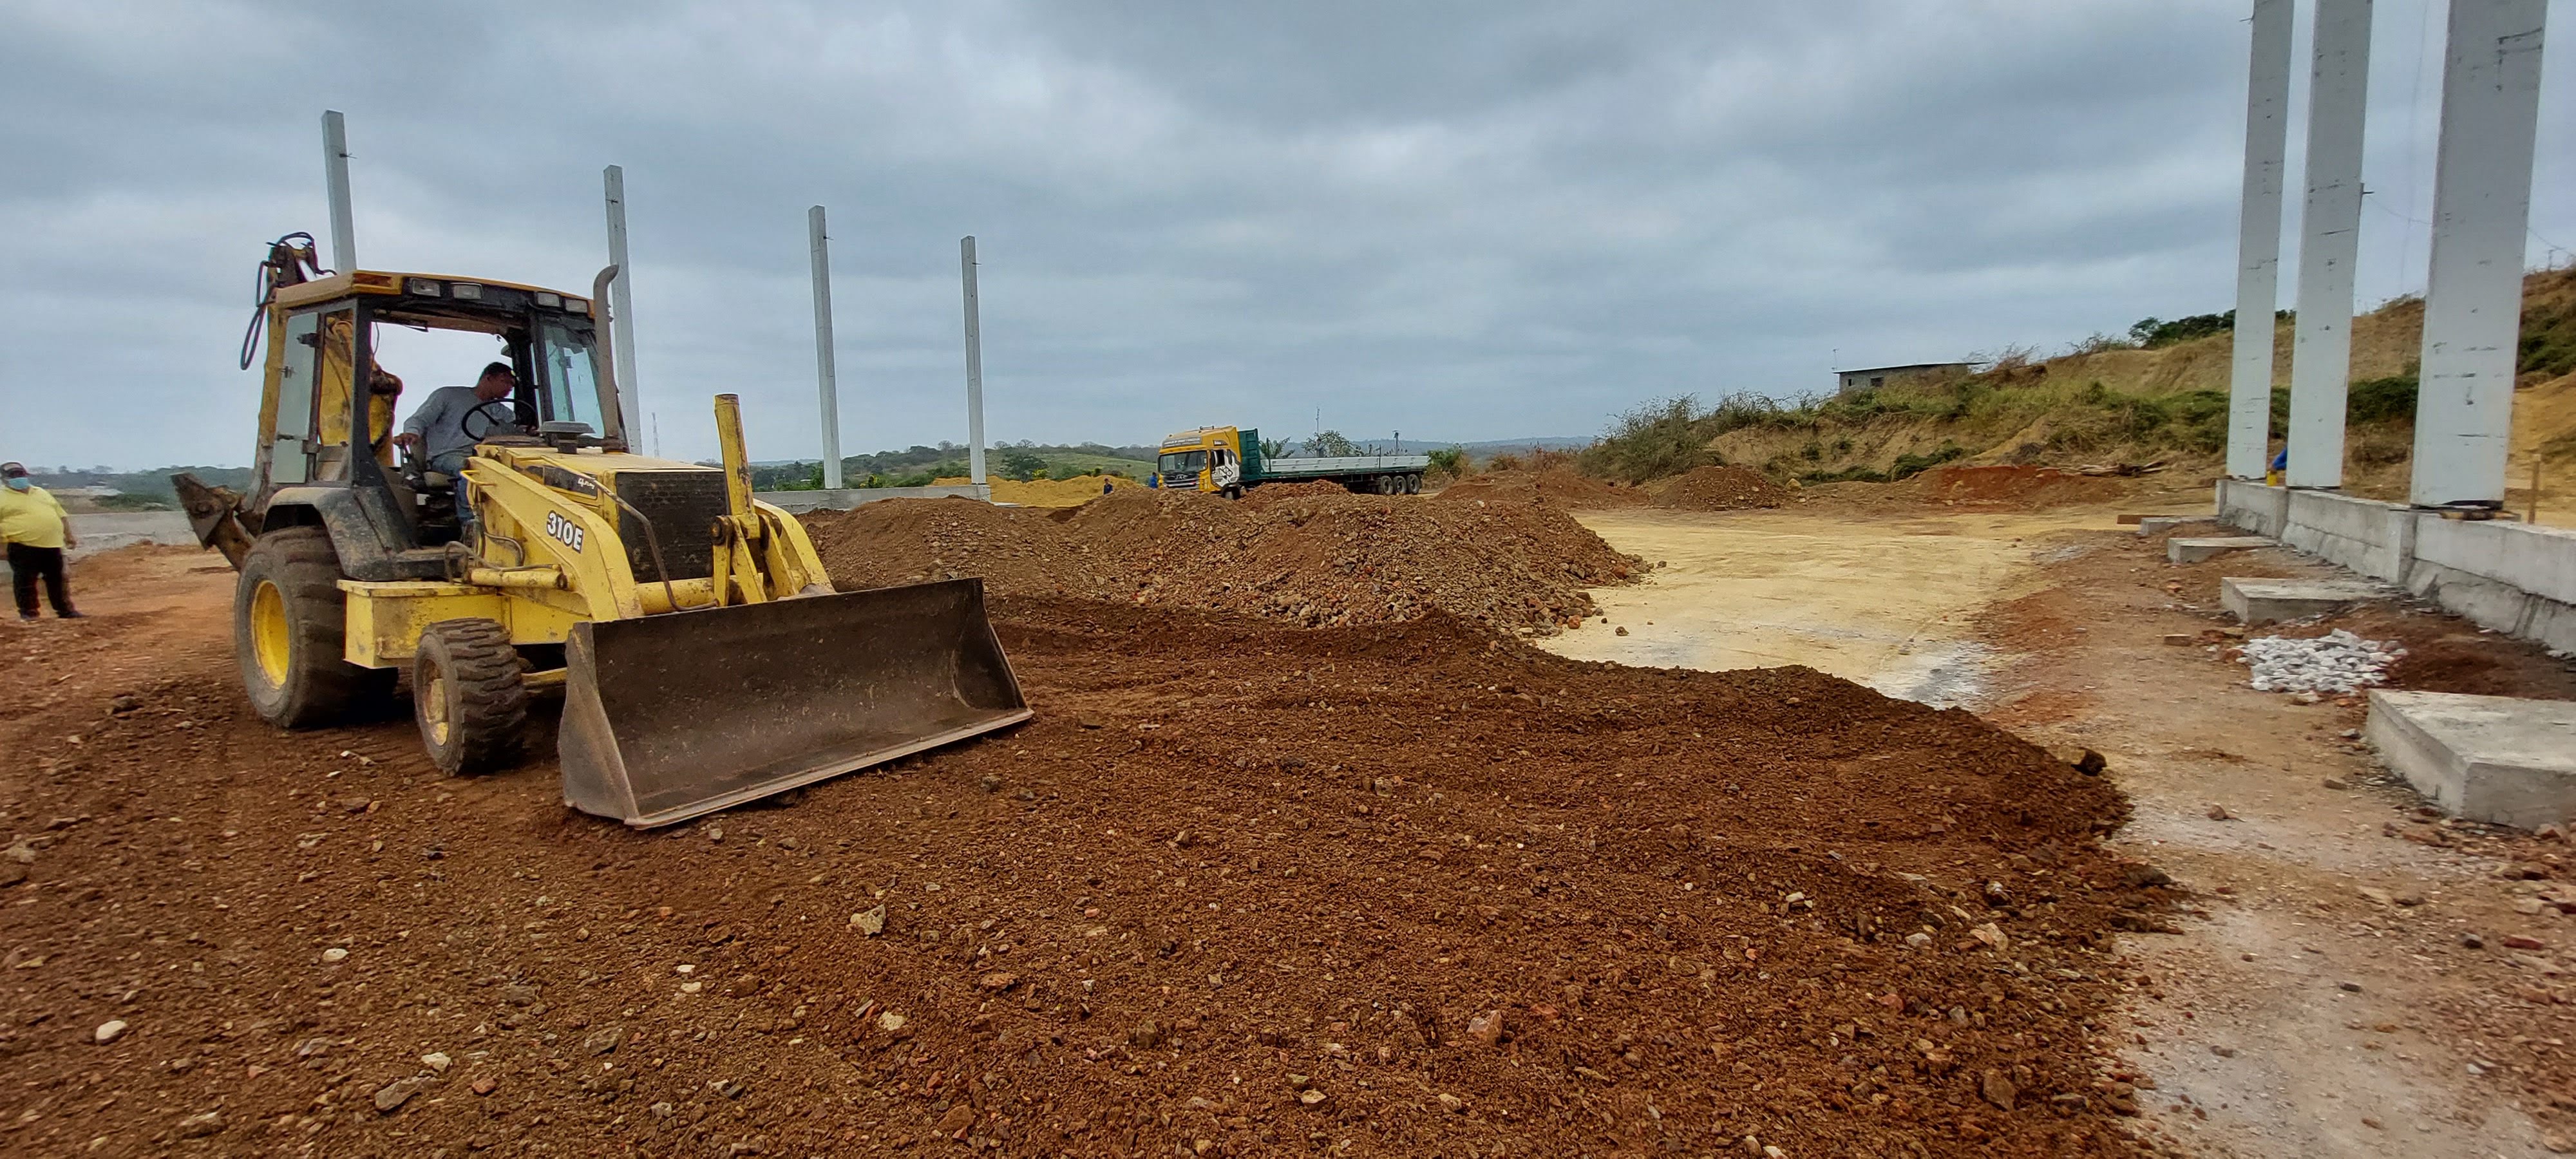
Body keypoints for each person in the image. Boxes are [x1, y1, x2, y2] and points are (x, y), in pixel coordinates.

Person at [395, 362, 518, 477]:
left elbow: (512, 435)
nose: (509, 387)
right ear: (488, 378)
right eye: (505, 382)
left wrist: (525, 432)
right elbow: (420, 419)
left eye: (512, 385)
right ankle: (469, 501)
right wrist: (411, 432)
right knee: (471, 469)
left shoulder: (504, 413)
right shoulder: (448, 396)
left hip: (487, 456)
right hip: (447, 456)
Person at [0, 462, 80, 621]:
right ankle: (29, 613)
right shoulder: (2, 497)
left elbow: (61, 515)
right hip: (22, 545)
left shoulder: (41, 492)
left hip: (52, 545)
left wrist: (69, 535)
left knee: (57, 580)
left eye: (20, 474)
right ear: (4, 480)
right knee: (25, 580)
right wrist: (1, 548)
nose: (18, 478)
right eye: (13, 476)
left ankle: (65, 611)